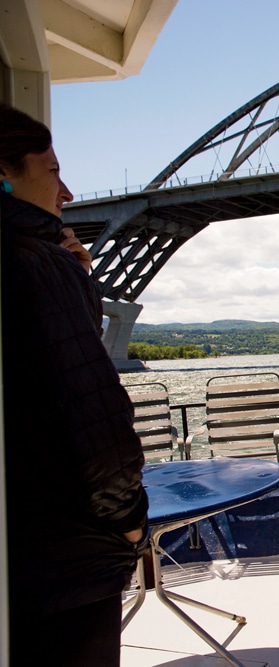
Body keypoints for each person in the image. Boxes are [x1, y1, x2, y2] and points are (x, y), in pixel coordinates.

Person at [1, 103, 150, 665]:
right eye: (52, 171)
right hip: (65, 554)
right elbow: (92, 416)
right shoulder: (36, 263)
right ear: (4, 176)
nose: (66, 192)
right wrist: (132, 525)